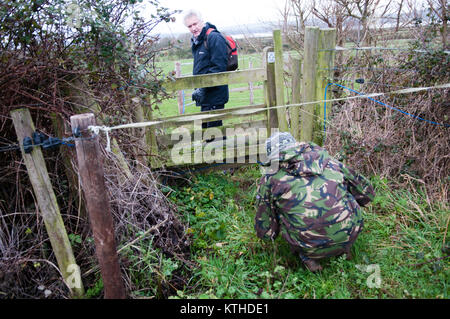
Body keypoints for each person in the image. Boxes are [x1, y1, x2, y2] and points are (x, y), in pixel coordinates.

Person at [255, 132, 375, 272]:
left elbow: (265, 228)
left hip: (308, 245)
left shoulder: (270, 178)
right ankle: (343, 245)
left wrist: (271, 234)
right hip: (351, 234)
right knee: (345, 193)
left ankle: (308, 257)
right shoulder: (329, 161)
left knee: (282, 210)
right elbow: (367, 193)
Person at [184, 10, 229, 129]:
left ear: (202, 21)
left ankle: (219, 147)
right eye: (190, 26)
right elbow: (201, 67)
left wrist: (202, 89)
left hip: (215, 95)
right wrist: (200, 89)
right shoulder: (197, 41)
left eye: (195, 24)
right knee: (206, 133)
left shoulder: (214, 37)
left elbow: (219, 67)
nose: (193, 28)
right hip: (205, 97)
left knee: (215, 134)